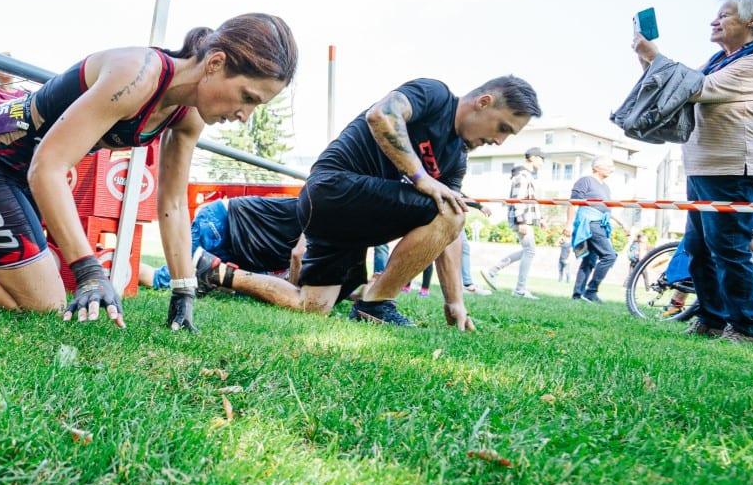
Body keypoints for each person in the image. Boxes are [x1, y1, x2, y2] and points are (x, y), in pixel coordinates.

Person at [0, 15, 298, 330]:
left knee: (32, 265)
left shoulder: (187, 116)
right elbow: (48, 166)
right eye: (248, 96)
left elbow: (171, 205)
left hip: (22, 171)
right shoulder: (139, 75)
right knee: (45, 298)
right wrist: (91, 270)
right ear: (216, 63)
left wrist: (184, 290)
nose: (246, 115)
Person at [208, 75, 540, 328]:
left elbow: (449, 229)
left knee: (314, 305)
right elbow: (382, 114)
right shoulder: (435, 96)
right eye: (503, 127)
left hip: (347, 220)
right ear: (483, 102)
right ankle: (376, 302)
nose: (498, 140)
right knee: (448, 210)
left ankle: (217, 273)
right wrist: (421, 178)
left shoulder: (456, 159)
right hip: (333, 188)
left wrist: (455, 304)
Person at [634, 0, 753, 342]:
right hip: (705, 166)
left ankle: (745, 328)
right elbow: (674, 86)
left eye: (725, 15)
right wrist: (646, 58)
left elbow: (695, 88)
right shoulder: (721, 59)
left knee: (728, 248)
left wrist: (652, 54)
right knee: (699, 248)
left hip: (735, 168)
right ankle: (711, 319)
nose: (714, 21)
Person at [144, 194, 305, 292]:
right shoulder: (317, 213)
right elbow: (298, 254)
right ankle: (121, 266)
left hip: (240, 243)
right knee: (165, 279)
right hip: (222, 224)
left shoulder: (316, 208)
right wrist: (295, 293)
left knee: (246, 290)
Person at [481, 148, 544, 298]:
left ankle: (494, 271)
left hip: (525, 218)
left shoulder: (525, 175)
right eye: (541, 159)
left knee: (528, 250)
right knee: (529, 250)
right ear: (533, 158)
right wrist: (521, 220)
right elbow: (518, 198)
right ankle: (519, 289)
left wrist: (540, 218)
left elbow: (529, 199)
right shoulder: (522, 175)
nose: (542, 163)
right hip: (521, 218)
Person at [569, 156, 624, 302]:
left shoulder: (605, 187)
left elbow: (606, 209)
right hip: (589, 222)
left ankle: (577, 295)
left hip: (600, 222)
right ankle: (591, 291)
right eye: (609, 165)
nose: (612, 169)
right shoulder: (585, 181)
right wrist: (568, 225)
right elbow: (573, 202)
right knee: (609, 256)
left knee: (589, 260)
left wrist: (622, 224)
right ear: (596, 167)